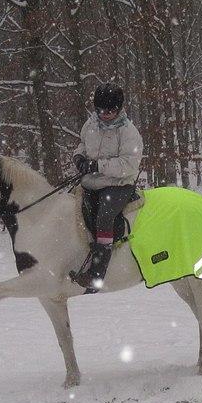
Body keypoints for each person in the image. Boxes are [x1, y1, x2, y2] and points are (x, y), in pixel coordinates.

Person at [70, 82, 143, 291]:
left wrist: (97, 165)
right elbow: (83, 144)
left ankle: (97, 274)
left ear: (119, 109)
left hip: (119, 184)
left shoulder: (128, 131)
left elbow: (129, 164)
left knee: (104, 216)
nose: (105, 114)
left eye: (110, 111)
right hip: (91, 182)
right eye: (101, 110)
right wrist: (79, 157)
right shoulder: (90, 124)